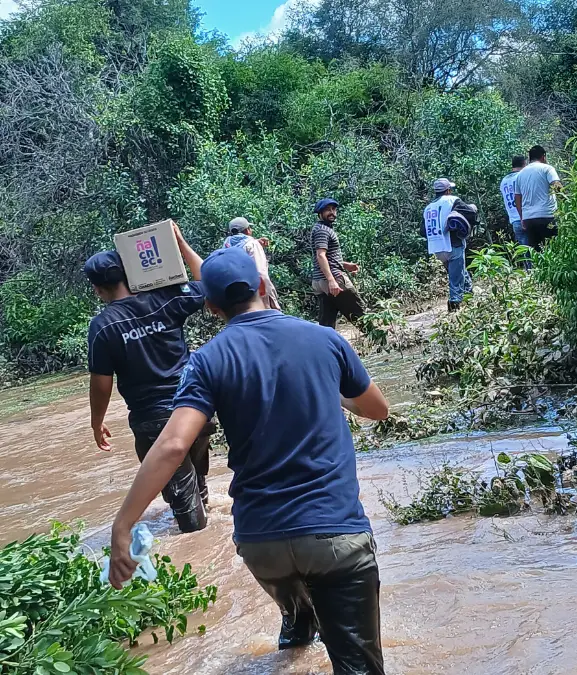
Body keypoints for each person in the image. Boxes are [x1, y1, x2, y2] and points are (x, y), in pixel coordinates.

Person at [106, 245, 391, 674]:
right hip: (335, 534)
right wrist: (324, 389)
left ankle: (296, 625)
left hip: (262, 542)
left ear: (211, 307)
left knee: (296, 615)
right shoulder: (324, 339)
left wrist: (122, 525)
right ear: (262, 284)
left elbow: (171, 446)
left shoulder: (206, 361)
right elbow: (376, 409)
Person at [86, 222, 213, 533]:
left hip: (155, 423)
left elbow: (102, 383)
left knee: (188, 516)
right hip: (196, 410)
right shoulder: (165, 298)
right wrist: (180, 242)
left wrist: (96, 421)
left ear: (97, 288)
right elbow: (207, 283)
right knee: (200, 488)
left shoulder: (103, 327)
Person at [311, 198, 364, 328]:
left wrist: (345, 265)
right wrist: (331, 280)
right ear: (320, 213)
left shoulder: (320, 228)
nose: (332, 212)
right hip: (333, 279)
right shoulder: (323, 230)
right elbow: (321, 256)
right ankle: (382, 342)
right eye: (328, 210)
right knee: (359, 313)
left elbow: (327, 257)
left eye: (333, 209)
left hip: (319, 281)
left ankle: (326, 348)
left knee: (326, 324)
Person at [423, 178, 475, 311]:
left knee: (458, 272)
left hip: (437, 249)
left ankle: (470, 295)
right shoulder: (452, 200)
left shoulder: (428, 208)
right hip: (452, 244)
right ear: (448, 190)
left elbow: (423, 231)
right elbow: (470, 212)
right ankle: (454, 304)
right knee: (455, 278)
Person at [513, 144, 563, 251]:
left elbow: (517, 199)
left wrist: (522, 218)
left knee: (537, 253)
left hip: (529, 219)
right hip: (547, 215)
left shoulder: (520, 175)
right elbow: (557, 186)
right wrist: (566, 202)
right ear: (543, 156)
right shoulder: (547, 169)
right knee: (552, 251)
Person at [224, 217, 280, 310]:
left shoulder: (227, 244)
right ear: (247, 230)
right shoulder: (252, 245)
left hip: (237, 295)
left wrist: (256, 241)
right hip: (256, 294)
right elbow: (261, 274)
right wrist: (271, 300)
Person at [500, 155, 529, 249]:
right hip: (527, 217)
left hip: (514, 220)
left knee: (525, 253)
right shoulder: (522, 177)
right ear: (525, 164)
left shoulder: (504, 181)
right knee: (537, 252)